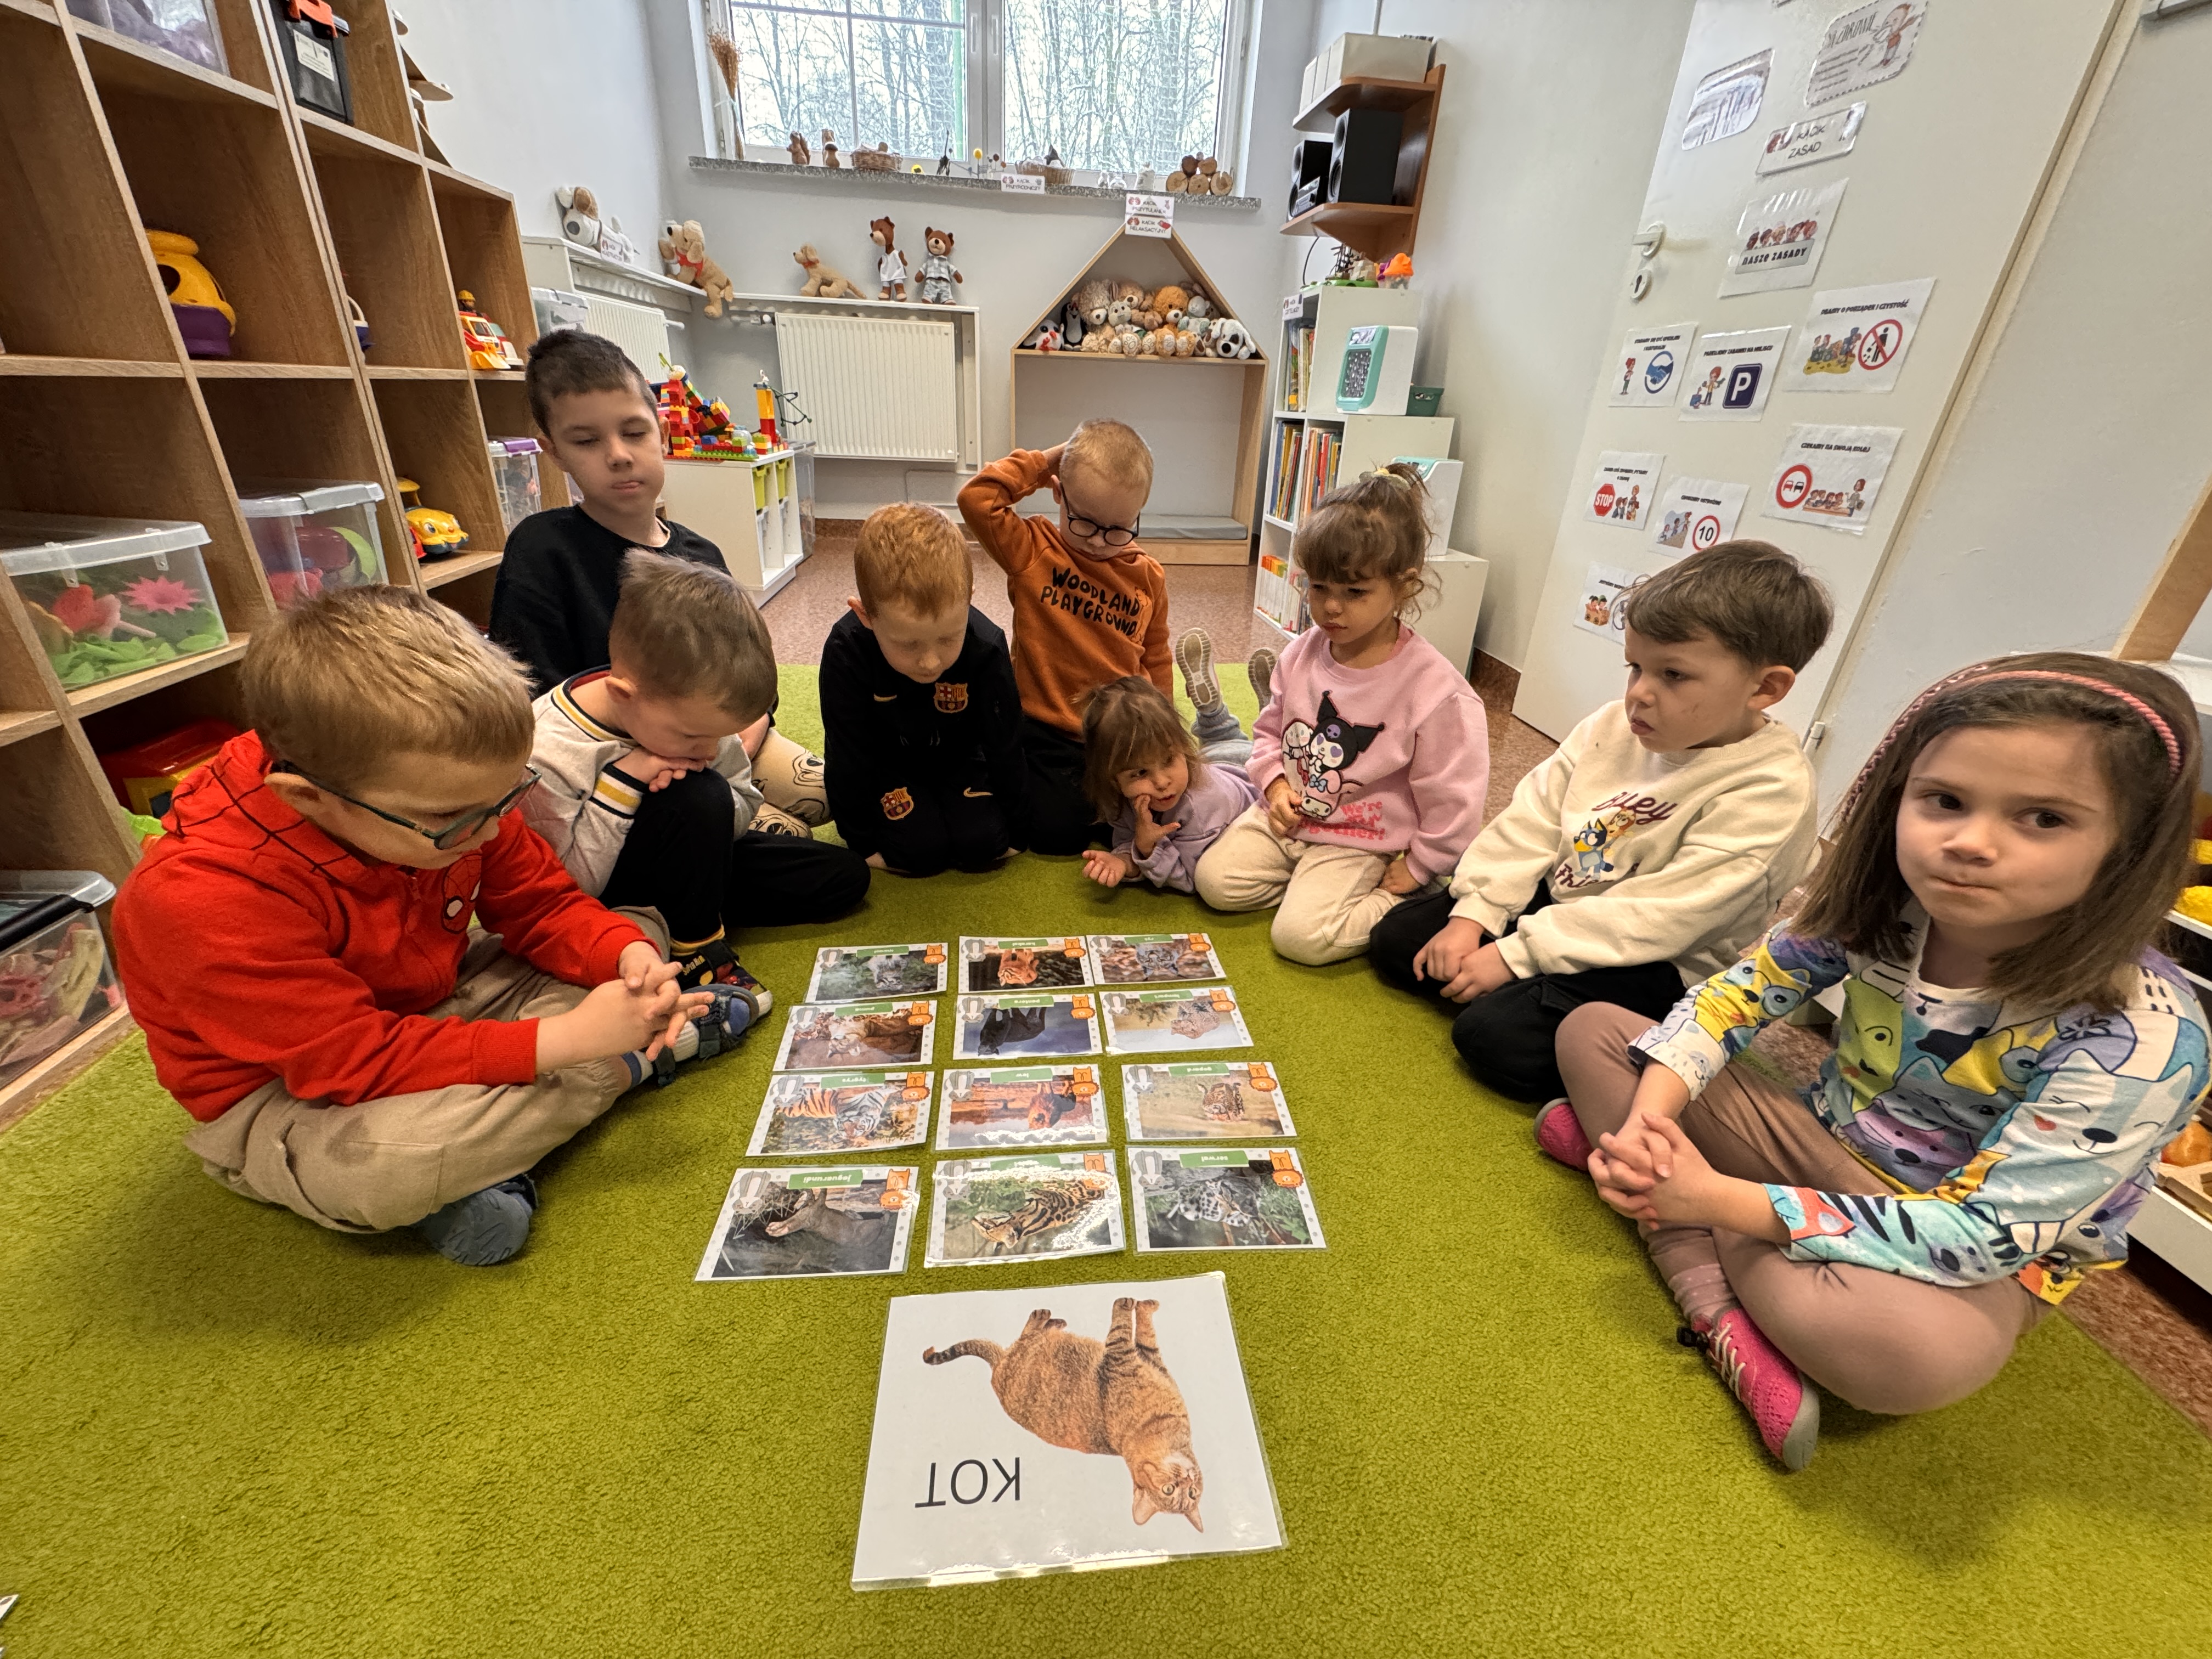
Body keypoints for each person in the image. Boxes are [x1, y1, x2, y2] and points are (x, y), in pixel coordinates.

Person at [1557, 653, 2208, 1470]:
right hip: (1819, 1149)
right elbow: (1730, 1002)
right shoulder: (1878, 911)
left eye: (2044, 818)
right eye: (1945, 801)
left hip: (1966, 1243)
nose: (1971, 843)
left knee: (1916, 1357)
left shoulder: (2142, 1037)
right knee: (1595, 1033)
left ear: (2130, 845)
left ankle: (1686, 1225)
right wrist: (1652, 1121)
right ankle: (1709, 1275)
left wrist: (1711, 1196)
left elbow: (1983, 1235)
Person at [110, 588, 744, 1268]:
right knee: (391, 1169)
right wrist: (572, 1040)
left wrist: (622, 958)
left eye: (505, 798)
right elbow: (351, 1061)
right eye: (452, 819)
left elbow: (541, 905)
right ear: (309, 797)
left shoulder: (449, 799)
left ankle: (524, 1131)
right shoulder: (201, 898)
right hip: (291, 1092)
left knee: (632, 930)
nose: (492, 831)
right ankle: (628, 1063)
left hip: (439, 994)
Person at [1372, 540, 1833, 1105]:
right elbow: (1534, 818)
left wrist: (1516, 955)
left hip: (1654, 959)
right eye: (1636, 667)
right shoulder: (1611, 725)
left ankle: (1586, 1026)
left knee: (1492, 1039)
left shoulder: (1772, 791)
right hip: (1565, 902)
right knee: (1398, 942)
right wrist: (1477, 913)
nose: (1639, 694)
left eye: (1673, 675)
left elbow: (1660, 917)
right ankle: (1519, 979)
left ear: (1765, 688)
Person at [489, 329, 826, 835]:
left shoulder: (700, 554)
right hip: (617, 769)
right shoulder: (542, 550)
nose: (618, 455)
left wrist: (749, 729)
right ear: (553, 452)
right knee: (781, 834)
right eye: (586, 441)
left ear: (662, 433)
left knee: (824, 794)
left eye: (634, 433)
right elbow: (534, 700)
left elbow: (746, 667)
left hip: (713, 738)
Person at [522, 551, 867, 991]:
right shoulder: (548, 749)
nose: (707, 750)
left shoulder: (696, 719)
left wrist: (713, 805)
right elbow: (568, 889)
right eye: (692, 738)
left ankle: (689, 912)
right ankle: (697, 948)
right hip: (607, 894)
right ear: (624, 695)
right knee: (697, 795)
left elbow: (743, 804)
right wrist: (625, 782)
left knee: (843, 877)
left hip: (696, 863)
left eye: (718, 736)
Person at [1194, 465, 1488, 964]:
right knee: (1215, 883)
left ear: (1404, 587)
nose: (1331, 607)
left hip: (1362, 840)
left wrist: (1422, 866)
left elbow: (1454, 797)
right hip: (1289, 820)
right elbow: (1269, 734)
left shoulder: (1435, 690)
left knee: (1300, 939)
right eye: (1318, 588)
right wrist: (1275, 786)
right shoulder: (1301, 652)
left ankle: (1409, 902)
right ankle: (1313, 889)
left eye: (1355, 593)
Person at [957, 420, 1171, 854]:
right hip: (1046, 732)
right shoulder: (1032, 548)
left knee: (1166, 814)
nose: (1099, 543)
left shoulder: (1148, 576)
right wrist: (1049, 460)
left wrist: (1162, 729)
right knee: (1056, 836)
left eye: (1119, 528)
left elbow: (1156, 655)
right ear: (1058, 493)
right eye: (1085, 523)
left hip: (1119, 734)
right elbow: (976, 499)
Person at [820, 502, 1027, 875]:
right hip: (887, 762)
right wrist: (861, 842)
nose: (930, 663)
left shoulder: (986, 646)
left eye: (948, 638)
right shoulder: (846, 651)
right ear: (865, 615)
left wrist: (1018, 826)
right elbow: (846, 752)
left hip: (961, 757)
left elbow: (1005, 741)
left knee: (984, 845)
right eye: (908, 644)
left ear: (969, 600)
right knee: (920, 853)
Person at [1078, 676, 1259, 893]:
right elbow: (1129, 840)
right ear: (1113, 779)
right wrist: (1123, 861)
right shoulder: (1121, 798)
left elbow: (1191, 878)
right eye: (1141, 773)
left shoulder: (1200, 809)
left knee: (1255, 748)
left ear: (1184, 748)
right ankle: (1214, 716)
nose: (1162, 783)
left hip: (1248, 772)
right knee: (1219, 747)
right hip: (1217, 761)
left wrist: (1148, 848)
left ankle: (1244, 713)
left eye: (1168, 760)